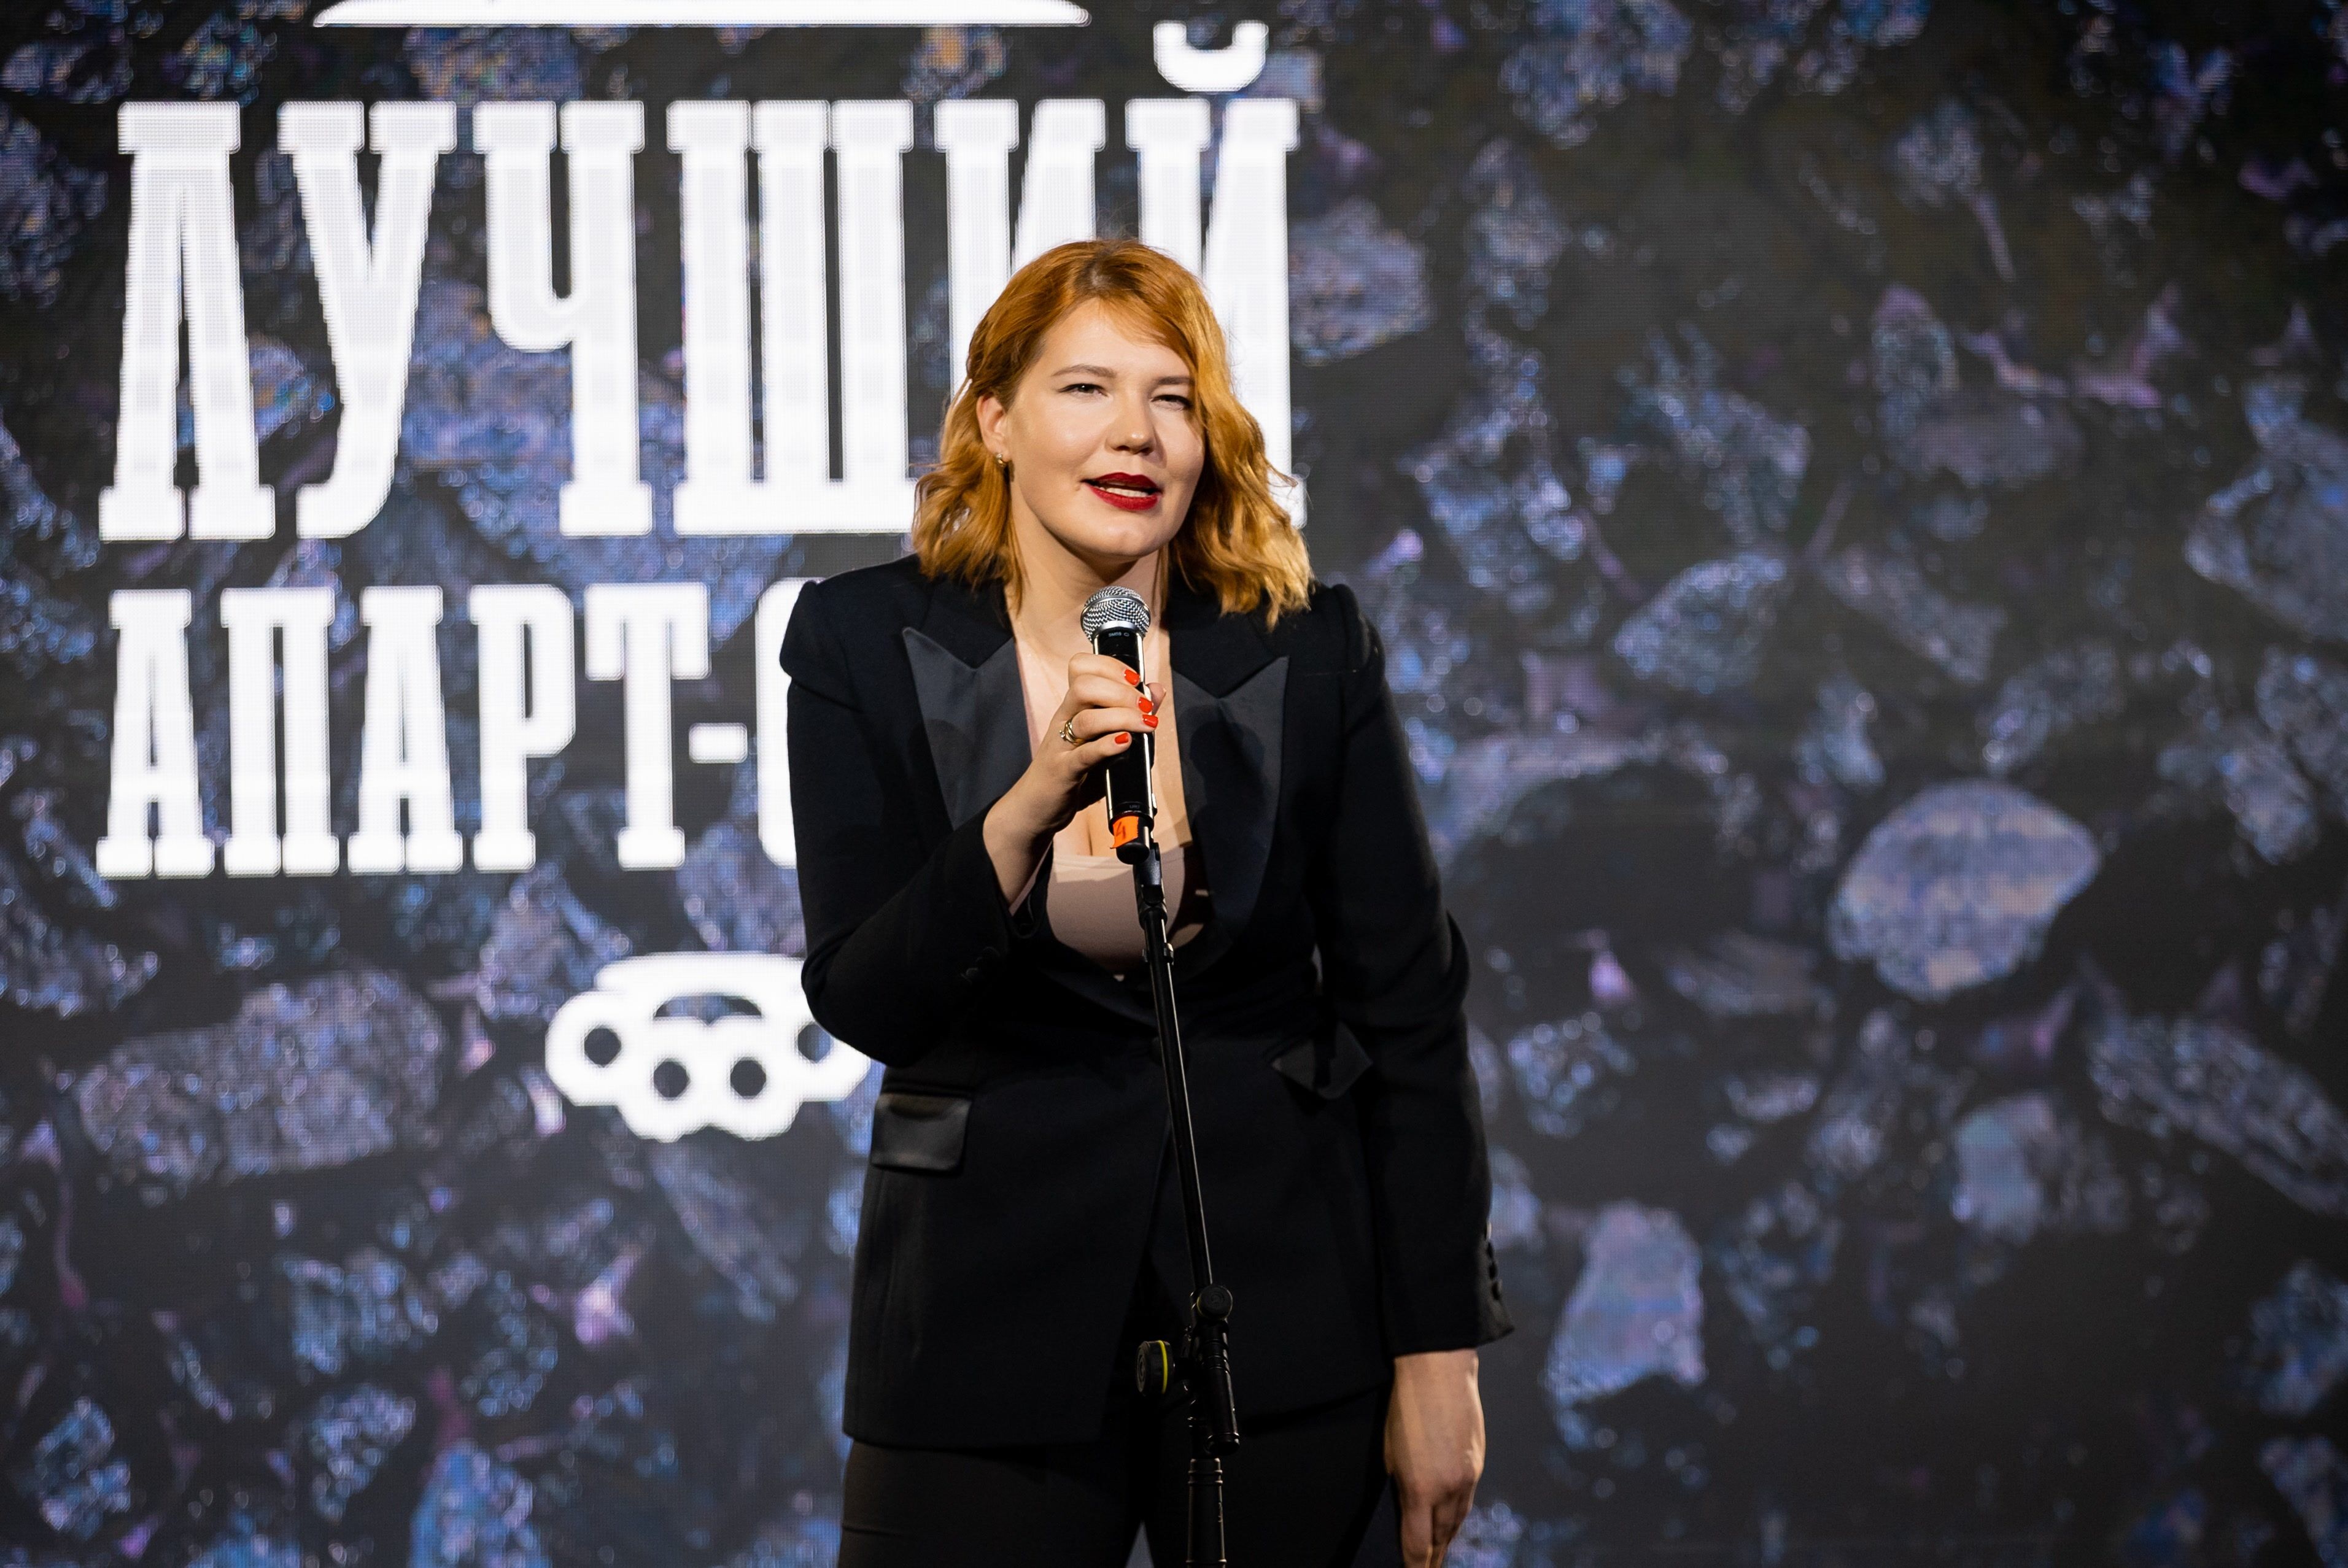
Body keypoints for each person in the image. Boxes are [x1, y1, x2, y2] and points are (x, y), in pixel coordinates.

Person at [782, 238, 1510, 1567]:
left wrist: (1438, 1353)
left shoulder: (1305, 647)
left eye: (1172, 397)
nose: (1136, 433)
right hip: (980, 1324)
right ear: (994, 421)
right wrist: (1026, 805)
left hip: (1283, 1319)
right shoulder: (860, 643)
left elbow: (1408, 1016)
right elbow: (866, 996)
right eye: (1086, 390)